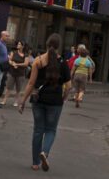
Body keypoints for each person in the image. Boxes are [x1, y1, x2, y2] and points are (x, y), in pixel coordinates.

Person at [19, 34, 72, 172]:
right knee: (51, 130)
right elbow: (69, 86)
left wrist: (23, 100)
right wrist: (64, 98)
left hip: (39, 100)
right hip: (55, 102)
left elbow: (31, 83)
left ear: (47, 44)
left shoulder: (38, 61)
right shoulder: (63, 63)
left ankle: (35, 163)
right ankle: (45, 152)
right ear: (59, 46)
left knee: (38, 130)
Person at [1, 40, 29, 107]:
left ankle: (16, 102)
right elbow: (10, 60)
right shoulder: (13, 52)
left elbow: (26, 64)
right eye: (18, 44)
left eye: (19, 44)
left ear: (23, 46)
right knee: (8, 87)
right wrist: (12, 63)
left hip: (20, 74)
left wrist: (17, 64)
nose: (18, 45)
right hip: (12, 72)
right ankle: (4, 100)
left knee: (18, 89)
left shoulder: (26, 55)